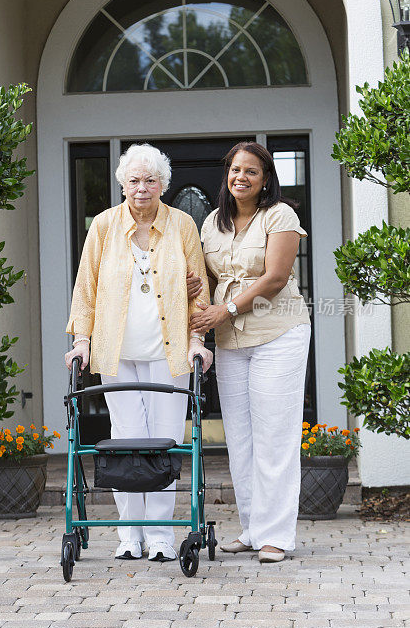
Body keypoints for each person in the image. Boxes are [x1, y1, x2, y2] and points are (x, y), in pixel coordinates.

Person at [65, 143, 213, 562]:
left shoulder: (182, 225)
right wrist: (81, 340)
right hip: (117, 353)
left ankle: (162, 536)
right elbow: (86, 288)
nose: (142, 188)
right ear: (122, 184)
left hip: (169, 355)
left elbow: (198, 288)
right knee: (126, 443)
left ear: (163, 184)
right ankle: (129, 535)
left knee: (165, 443)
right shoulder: (104, 226)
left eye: (150, 180)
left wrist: (197, 342)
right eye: (134, 180)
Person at [190, 141, 311, 563]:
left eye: (251, 172)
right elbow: (204, 277)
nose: (241, 177)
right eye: (235, 170)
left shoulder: (279, 216)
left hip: (278, 334)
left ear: (265, 181)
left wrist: (225, 309)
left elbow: (276, 277)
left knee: (274, 437)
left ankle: (276, 535)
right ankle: (252, 528)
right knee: (240, 440)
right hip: (230, 342)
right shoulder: (211, 224)